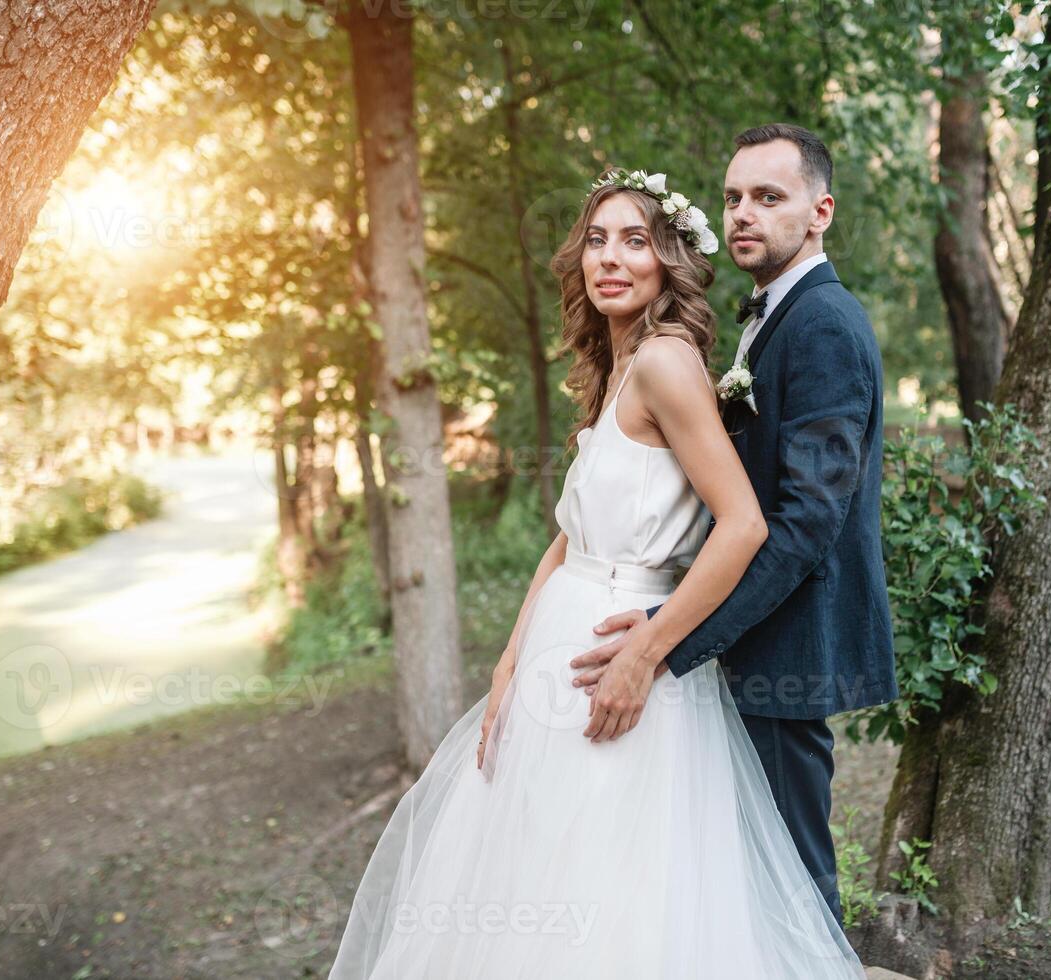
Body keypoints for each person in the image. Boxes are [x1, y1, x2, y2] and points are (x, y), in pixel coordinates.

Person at [326, 160, 866, 979]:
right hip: (556, 649)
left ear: (667, 262)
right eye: (597, 241)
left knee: (611, 892)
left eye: (636, 241)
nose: (612, 257)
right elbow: (565, 537)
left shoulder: (666, 364)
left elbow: (747, 522)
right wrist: (508, 662)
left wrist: (647, 652)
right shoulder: (615, 367)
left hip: (619, 657)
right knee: (532, 874)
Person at [567, 124, 898, 925]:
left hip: (785, 649)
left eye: (769, 197)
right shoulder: (773, 316)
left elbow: (805, 522)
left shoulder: (823, 325)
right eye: (734, 197)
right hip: (744, 644)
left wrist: (670, 639)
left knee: (794, 891)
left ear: (820, 211)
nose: (744, 213)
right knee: (746, 881)